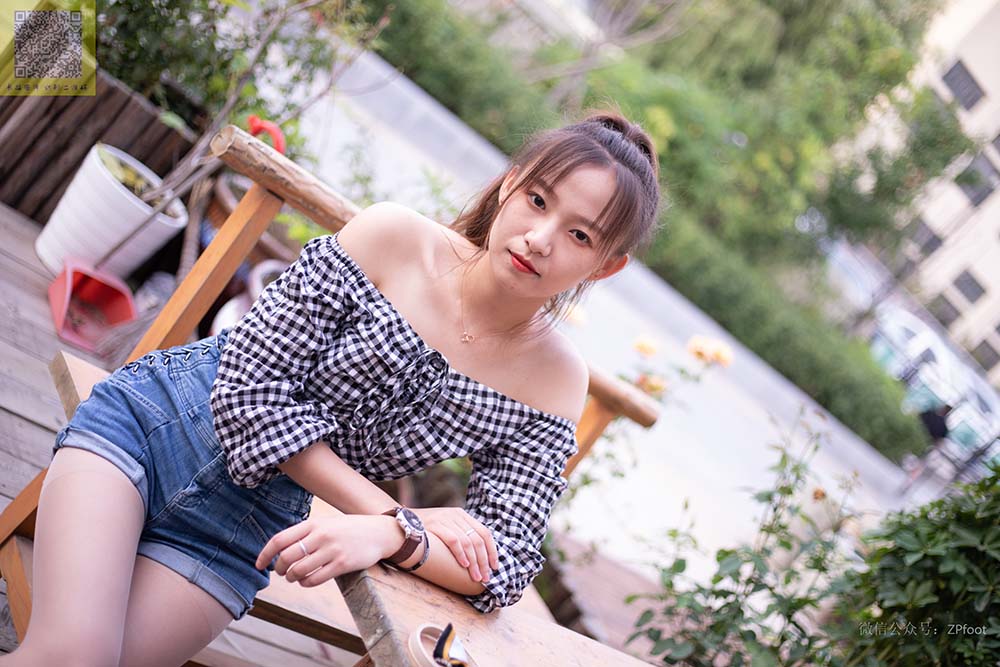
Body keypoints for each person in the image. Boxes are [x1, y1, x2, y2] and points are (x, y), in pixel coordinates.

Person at [3, 110, 660, 666]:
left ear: (605, 266)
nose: (539, 239)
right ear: (510, 182)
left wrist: (388, 536)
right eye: (537, 200)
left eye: (578, 235)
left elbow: (503, 562)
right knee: (72, 655)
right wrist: (392, 514)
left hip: (244, 531)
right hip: (155, 425)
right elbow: (250, 391)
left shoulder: (554, 379)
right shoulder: (394, 237)